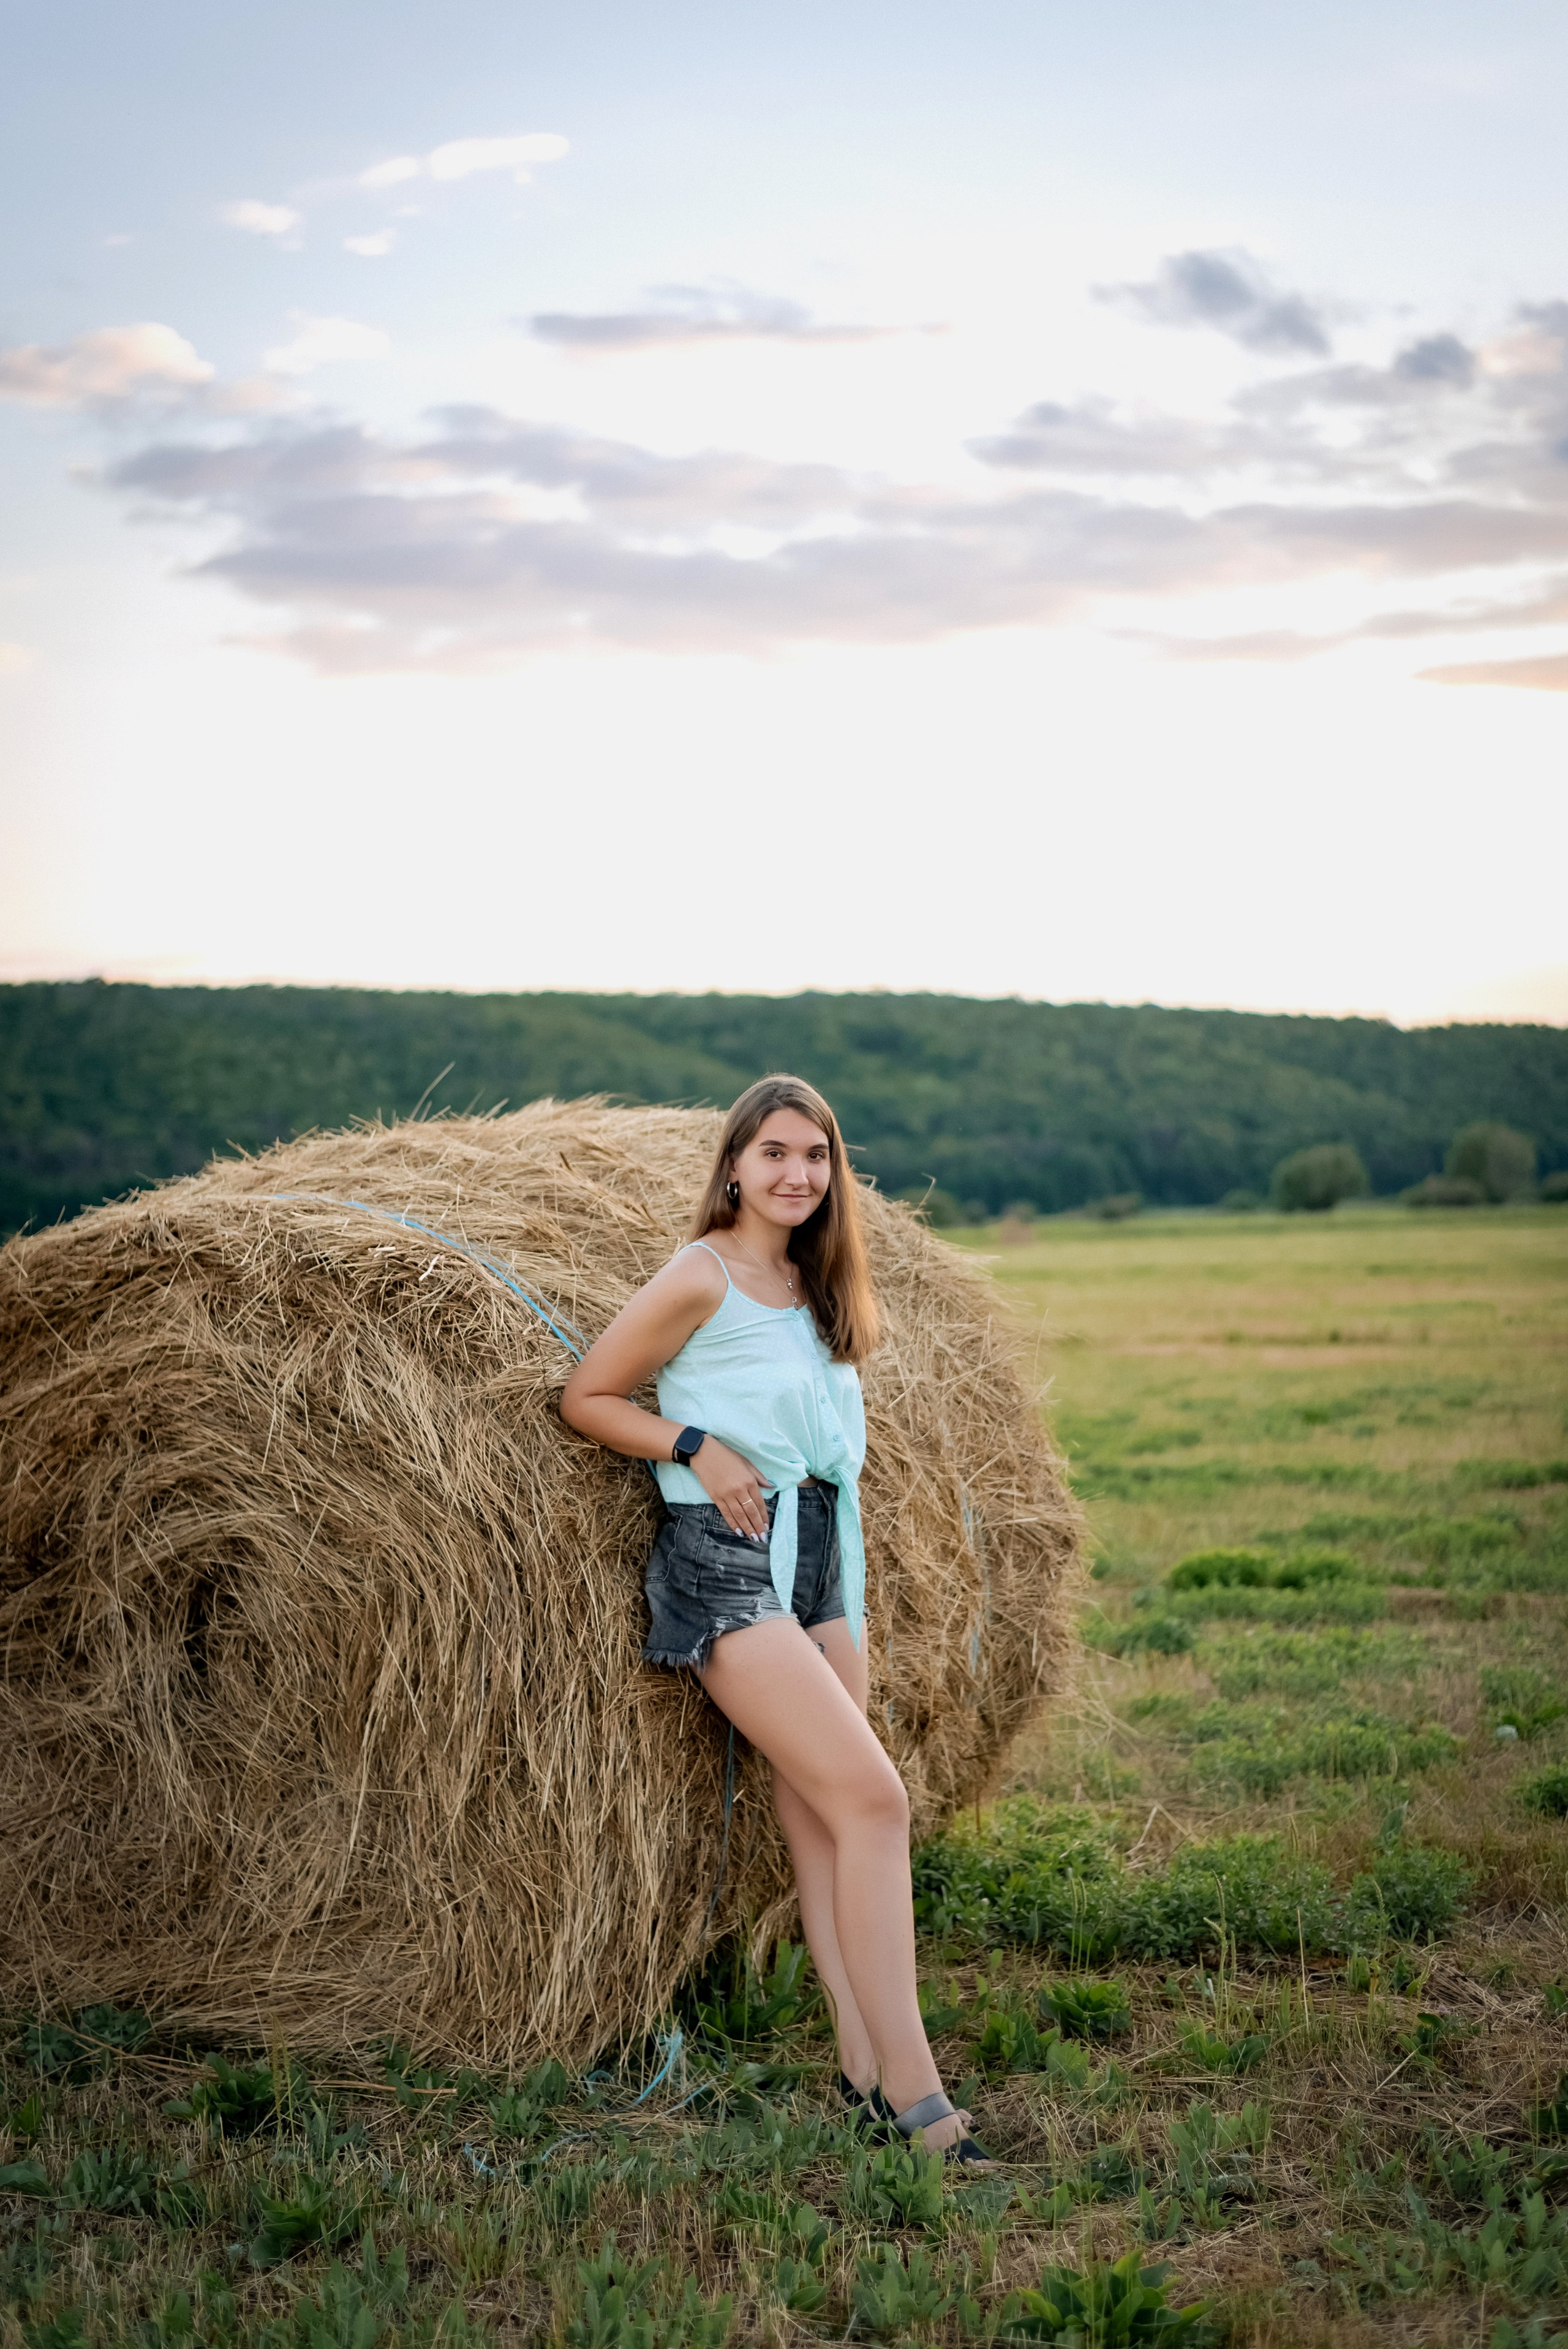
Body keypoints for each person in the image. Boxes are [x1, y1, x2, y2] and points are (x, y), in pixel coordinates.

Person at [560, 1073, 989, 2163]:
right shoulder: (700, 1274)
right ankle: (921, 2098)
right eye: (776, 1154)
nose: (798, 1174)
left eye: (817, 1156)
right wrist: (695, 1446)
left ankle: (861, 2069)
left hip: (821, 1554)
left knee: (826, 1821)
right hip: (726, 1561)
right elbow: (588, 1396)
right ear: (736, 1168)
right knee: (879, 1803)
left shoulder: (817, 1282)